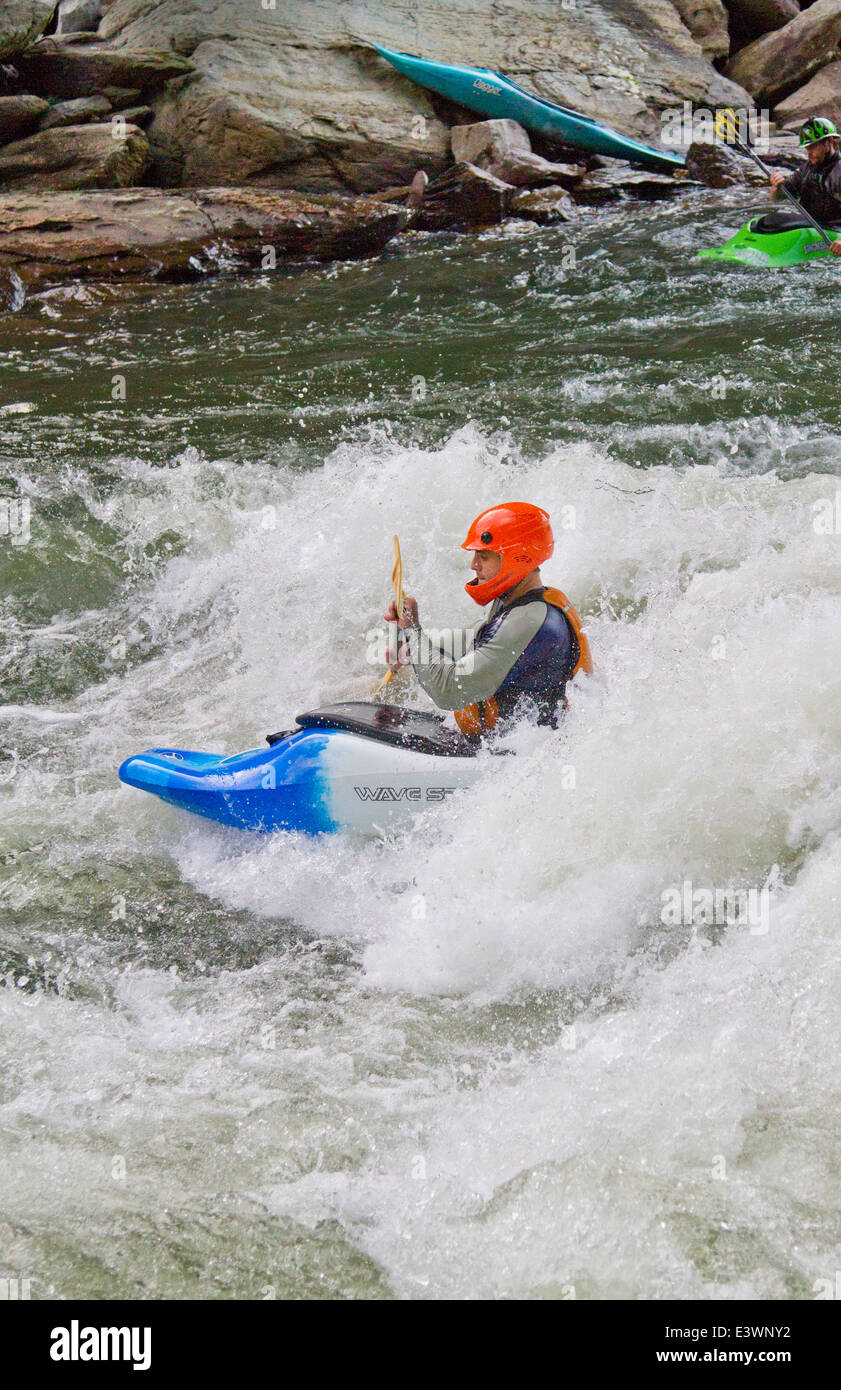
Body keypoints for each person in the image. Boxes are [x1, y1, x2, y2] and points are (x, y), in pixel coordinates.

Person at [383, 502, 592, 735]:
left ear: (518, 558)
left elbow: (449, 691)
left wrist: (413, 631)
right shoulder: (518, 601)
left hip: (516, 757)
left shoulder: (529, 621)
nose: (474, 565)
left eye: (483, 556)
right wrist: (412, 647)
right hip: (499, 743)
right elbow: (474, 640)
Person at [770, 117, 841, 255]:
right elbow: (776, 198)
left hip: (833, 233)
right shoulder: (806, 169)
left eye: (813, 146)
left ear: (829, 142)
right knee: (769, 222)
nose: (808, 152)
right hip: (811, 227)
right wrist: (777, 187)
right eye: (807, 147)